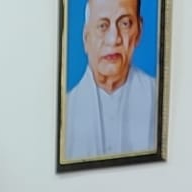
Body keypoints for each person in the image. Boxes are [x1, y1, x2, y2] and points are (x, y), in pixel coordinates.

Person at [63, 0, 160, 160]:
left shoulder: (157, 97)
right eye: (103, 26)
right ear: (86, 38)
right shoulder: (67, 111)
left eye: (125, 24)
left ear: (139, 31)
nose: (114, 39)